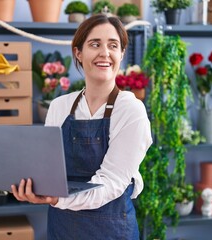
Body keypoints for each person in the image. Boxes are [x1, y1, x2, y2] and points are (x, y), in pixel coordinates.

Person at [11, 14, 152, 239]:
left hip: (110, 230)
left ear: (121, 54)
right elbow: (49, 171)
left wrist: (59, 199)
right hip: (62, 227)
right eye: (95, 44)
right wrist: (32, 186)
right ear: (78, 52)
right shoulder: (59, 107)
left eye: (113, 45)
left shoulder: (130, 110)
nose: (104, 53)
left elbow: (112, 182)